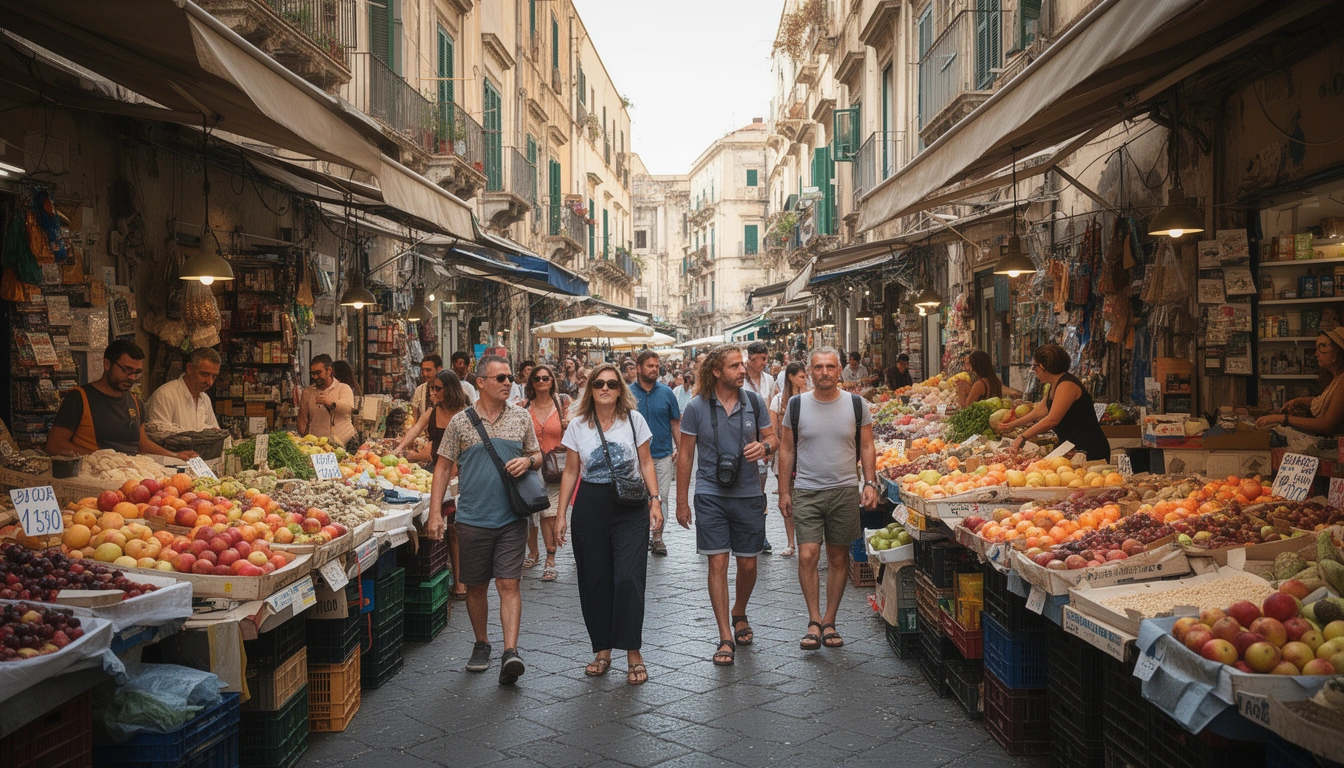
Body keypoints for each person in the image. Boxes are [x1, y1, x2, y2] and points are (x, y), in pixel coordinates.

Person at [428, 355, 542, 684]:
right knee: (476, 586)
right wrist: (435, 513)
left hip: (511, 517)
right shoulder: (460, 422)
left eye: (509, 378)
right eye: (500, 378)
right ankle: (482, 643)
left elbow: (537, 454)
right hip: (473, 517)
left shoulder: (521, 417)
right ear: (480, 383)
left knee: (509, 583)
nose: (508, 383)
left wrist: (528, 462)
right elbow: (442, 467)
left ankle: (510, 651)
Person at [554, 364, 663, 685]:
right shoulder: (578, 425)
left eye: (612, 384)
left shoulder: (634, 420)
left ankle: (633, 651)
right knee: (595, 579)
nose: (605, 388)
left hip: (630, 505)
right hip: (590, 505)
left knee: (629, 578)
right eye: (599, 383)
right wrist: (560, 515)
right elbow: (570, 471)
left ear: (620, 390)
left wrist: (655, 500)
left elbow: (646, 461)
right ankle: (602, 649)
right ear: (590, 388)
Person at [675, 345, 777, 666]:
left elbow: (773, 438)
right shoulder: (696, 407)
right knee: (717, 563)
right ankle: (724, 636)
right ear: (717, 372)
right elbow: (685, 456)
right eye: (734, 366)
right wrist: (681, 502)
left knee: (748, 564)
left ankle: (739, 611)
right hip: (710, 494)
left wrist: (764, 447)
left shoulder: (754, 402)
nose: (742, 370)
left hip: (748, 494)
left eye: (741, 365)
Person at [778, 347, 880, 650]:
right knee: (807, 554)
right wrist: (784, 491)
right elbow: (786, 449)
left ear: (839, 370)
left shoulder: (857, 404)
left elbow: (867, 446)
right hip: (807, 490)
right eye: (818, 367)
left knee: (837, 558)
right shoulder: (796, 405)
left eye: (830, 367)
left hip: (844, 489)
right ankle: (813, 620)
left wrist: (870, 483)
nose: (824, 372)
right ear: (810, 371)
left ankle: (830, 621)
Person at [47, 339, 197, 460]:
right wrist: (102, 458)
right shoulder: (79, 398)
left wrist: (175, 456)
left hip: (129, 474)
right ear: (107, 364)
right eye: (126, 370)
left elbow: (142, 443)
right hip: (94, 474)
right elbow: (55, 445)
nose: (132, 377)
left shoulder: (135, 402)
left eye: (137, 372)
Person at [395, 369, 471, 599]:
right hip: (437, 471)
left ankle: (460, 582)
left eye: (438, 388)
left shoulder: (465, 414)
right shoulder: (433, 412)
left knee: (455, 529)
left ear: (450, 389)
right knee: (442, 524)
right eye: (432, 388)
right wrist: (399, 448)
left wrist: (458, 467)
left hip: (461, 473)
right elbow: (415, 429)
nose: (433, 393)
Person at [995, 344, 1110, 461]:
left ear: (1042, 367)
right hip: (1071, 445)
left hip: (1087, 446)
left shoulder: (1067, 385)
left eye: (1035, 367)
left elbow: (1052, 419)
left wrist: (1023, 437)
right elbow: (1039, 411)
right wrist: (1012, 424)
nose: (1035, 371)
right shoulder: (1055, 384)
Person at [631, 350, 680, 556]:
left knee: (661, 498)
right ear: (639, 368)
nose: (654, 369)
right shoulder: (627, 393)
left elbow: (675, 422)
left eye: (657, 366)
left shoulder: (667, 393)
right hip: (634, 457)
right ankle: (639, 536)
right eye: (650, 366)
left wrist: (680, 448)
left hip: (662, 455)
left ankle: (657, 537)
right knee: (637, 498)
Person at [524, 364, 571, 580]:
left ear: (552, 381)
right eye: (537, 379)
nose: (542, 382)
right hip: (530, 467)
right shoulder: (524, 407)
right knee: (529, 514)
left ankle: (550, 559)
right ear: (532, 383)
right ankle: (533, 552)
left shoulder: (563, 403)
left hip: (554, 467)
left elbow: (578, 422)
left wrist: (569, 423)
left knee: (548, 513)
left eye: (546, 378)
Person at [1255, 329, 1344, 435]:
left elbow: (1326, 425)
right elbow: (1324, 402)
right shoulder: (1337, 377)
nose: (1316, 353)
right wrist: (1298, 401)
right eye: (1317, 348)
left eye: (1322, 346)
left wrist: (1282, 418)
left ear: (1339, 350)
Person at [768, 362, 809, 557]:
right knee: (787, 497)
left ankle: (806, 541)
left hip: (808, 455)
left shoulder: (811, 398)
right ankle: (791, 542)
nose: (805, 380)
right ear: (791, 377)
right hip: (786, 455)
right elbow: (773, 432)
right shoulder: (778, 401)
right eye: (802, 376)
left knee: (806, 500)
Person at [741, 342, 777, 553]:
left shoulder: (769, 380)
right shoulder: (740, 380)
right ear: (750, 359)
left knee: (759, 490)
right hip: (744, 438)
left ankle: (760, 534)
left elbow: (770, 409)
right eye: (761, 359)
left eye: (765, 358)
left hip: (762, 440)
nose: (764, 362)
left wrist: (769, 444)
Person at [145, 347, 222, 433]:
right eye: (205, 374)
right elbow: (159, 435)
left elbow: (216, 433)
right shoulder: (165, 395)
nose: (210, 382)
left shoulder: (205, 399)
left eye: (214, 376)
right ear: (189, 368)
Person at [297, 355, 358, 451]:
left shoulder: (343, 388)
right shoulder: (308, 392)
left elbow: (348, 409)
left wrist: (331, 403)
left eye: (318, 373)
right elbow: (303, 419)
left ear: (329, 370)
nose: (315, 377)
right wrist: (305, 440)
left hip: (344, 444)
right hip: (318, 447)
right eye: (312, 373)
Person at [412, 355, 443, 419]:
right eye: (423, 370)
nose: (425, 374)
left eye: (428, 370)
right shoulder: (419, 390)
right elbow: (414, 414)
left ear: (439, 369)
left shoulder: (447, 389)